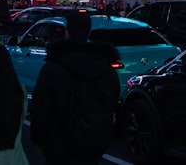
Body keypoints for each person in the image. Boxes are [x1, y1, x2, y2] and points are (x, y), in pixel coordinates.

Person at [29, 11, 120, 165]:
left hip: (59, 141)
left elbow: (41, 107)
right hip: (93, 140)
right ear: (89, 32)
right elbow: (112, 101)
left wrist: (38, 139)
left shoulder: (53, 67)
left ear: (67, 32)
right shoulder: (104, 67)